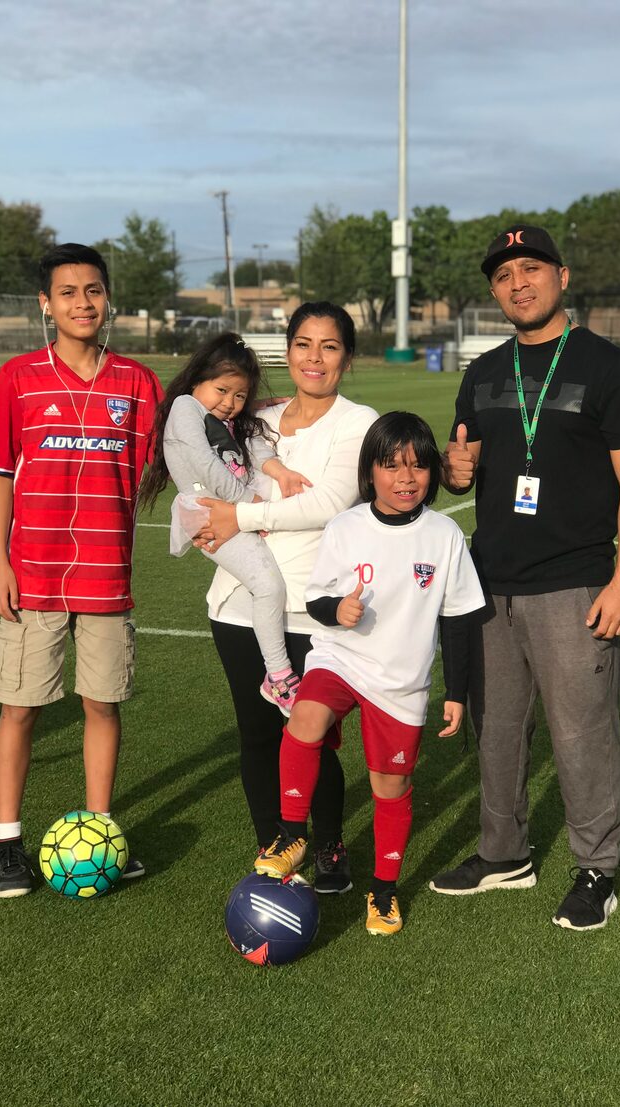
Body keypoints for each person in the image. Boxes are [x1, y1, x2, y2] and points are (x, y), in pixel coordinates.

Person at [430, 224, 620, 931]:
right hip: (488, 580)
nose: (517, 282)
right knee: (497, 730)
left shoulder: (610, 367)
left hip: (575, 582)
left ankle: (597, 868)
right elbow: (460, 461)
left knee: (582, 733)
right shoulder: (484, 371)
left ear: (561, 276)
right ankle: (504, 854)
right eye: (503, 275)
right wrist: (451, 470)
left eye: (531, 268)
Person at [254, 412, 485, 936]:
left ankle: (383, 892)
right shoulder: (346, 526)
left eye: (418, 466)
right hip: (341, 658)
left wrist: (457, 691)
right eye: (391, 466)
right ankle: (293, 835)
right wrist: (338, 611)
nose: (406, 478)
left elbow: (459, 617)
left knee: (391, 784)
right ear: (371, 472)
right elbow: (315, 599)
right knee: (304, 721)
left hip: (400, 681)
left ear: (432, 471)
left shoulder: (445, 535)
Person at [0, 242, 164, 898]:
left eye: (93, 290)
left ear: (107, 297)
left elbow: (178, 450)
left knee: (101, 703)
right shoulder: (19, 376)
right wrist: (0, 560)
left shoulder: (137, 383)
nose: (82, 303)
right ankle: (7, 841)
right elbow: (2, 473)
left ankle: (102, 831)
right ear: (45, 303)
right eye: (68, 292)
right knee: (21, 707)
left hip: (107, 578)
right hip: (34, 574)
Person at [198, 303, 378, 893]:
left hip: (310, 607)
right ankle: (274, 846)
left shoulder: (358, 422)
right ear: (287, 351)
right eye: (303, 344)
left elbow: (327, 502)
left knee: (311, 733)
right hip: (237, 603)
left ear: (346, 358)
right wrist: (209, 523)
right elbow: (211, 480)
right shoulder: (258, 416)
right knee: (256, 733)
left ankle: (327, 845)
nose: (314, 358)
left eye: (329, 347)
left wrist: (240, 516)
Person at [138, 332, 312, 715]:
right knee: (267, 586)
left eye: (239, 396)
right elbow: (207, 466)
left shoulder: (222, 419)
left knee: (268, 578)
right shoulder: (186, 407)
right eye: (221, 390)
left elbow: (253, 444)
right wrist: (250, 506)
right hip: (210, 510)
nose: (230, 403)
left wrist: (279, 471)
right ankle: (278, 676)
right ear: (197, 380)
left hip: (231, 506)